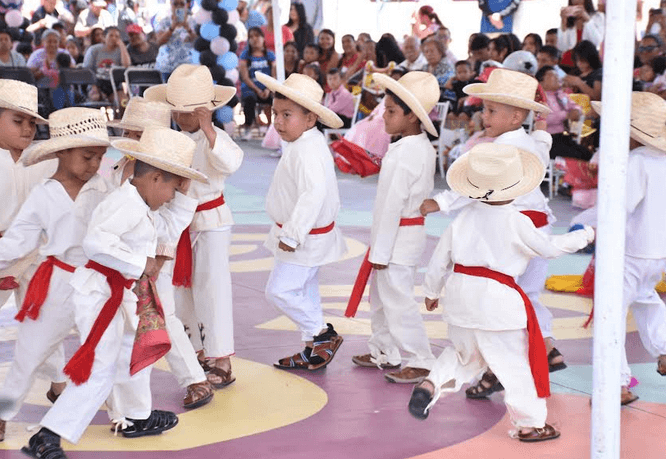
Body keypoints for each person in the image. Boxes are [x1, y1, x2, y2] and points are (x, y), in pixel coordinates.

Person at [20, 125, 204, 458]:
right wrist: (140, 263)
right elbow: (95, 244)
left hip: (117, 294)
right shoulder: (125, 203)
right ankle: (48, 434)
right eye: (173, 189)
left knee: (130, 358)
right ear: (155, 178)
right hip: (100, 296)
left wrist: (185, 195)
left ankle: (135, 417)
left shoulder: (141, 204)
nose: (172, 197)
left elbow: (167, 230)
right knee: (100, 371)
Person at [408, 142, 594, 443]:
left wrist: (431, 291)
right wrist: (585, 235)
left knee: (461, 355)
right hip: (498, 303)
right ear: (517, 186)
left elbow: (439, 259)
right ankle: (530, 423)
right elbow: (550, 248)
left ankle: (432, 383)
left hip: (459, 297)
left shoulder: (463, 218)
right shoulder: (516, 221)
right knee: (515, 365)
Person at [420, 69, 567, 398]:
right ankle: (546, 346)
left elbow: (476, 184)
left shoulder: (498, 149)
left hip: (512, 233)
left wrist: (441, 202)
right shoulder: (528, 142)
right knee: (527, 296)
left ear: (516, 116)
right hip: (539, 227)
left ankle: (496, 369)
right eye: (483, 109)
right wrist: (541, 127)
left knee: (502, 302)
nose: (482, 116)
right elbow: (543, 142)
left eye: (490, 110)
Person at [0, 107, 113, 442]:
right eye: (88, 156)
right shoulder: (44, 194)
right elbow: (18, 242)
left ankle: (127, 415)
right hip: (55, 286)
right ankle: (3, 412)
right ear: (62, 152)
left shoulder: (105, 190)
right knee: (28, 357)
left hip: (97, 285)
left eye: (100, 158)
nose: (94, 166)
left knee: (111, 353)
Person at [107, 97, 215, 410]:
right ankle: (120, 388)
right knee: (131, 320)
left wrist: (160, 260)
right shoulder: (124, 164)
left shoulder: (163, 171)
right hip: (126, 257)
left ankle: (195, 380)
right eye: (129, 131)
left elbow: (170, 223)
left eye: (137, 134)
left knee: (161, 317)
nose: (131, 137)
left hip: (152, 260)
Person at [145, 64, 244, 389]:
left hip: (209, 220)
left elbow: (230, 163)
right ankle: (197, 350)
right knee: (180, 290)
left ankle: (222, 358)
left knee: (212, 288)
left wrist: (209, 129)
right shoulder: (171, 138)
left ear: (204, 111)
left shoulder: (216, 139)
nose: (180, 117)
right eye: (177, 111)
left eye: (187, 112)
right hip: (177, 220)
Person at [347, 72, 439, 383]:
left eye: (391, 111)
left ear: (412, 116)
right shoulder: (416, 147)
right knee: (382, 298)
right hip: (401, 234)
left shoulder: (406, 153)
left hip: (397, 237)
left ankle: (421, 358)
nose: (383, 117)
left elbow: (391, 206)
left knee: (397, 301)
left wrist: (381, 250)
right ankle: (384, 350)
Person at [257, 71, 346, 371]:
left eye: (287, 115)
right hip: (307, 235)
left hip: (303, 237)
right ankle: (312, 346)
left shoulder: (307, 149)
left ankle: (323, 333)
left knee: (279, 290)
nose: (278, 121)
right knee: (305, 289)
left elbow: (313, 193)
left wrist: (293, 234)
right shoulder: (305, 142)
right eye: (275, 113)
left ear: (310, 120)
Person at [590, 92, 666, 404]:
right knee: (647, 300)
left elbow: (621, 208)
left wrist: (598, 233)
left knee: (611, 312)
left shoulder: (637, 162)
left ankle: (616, 382)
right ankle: (664, 348)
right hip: (657, 250)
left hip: (630, 250)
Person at [535, 65, 590, 161]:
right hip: (548, 140)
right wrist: (566, 115)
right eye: (553, 76)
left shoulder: (561, 95)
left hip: (563, 137)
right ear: (542, 82)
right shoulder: (539, 98)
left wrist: (576, 111)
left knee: (587, 154)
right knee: (577, 156)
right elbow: (545, 118)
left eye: (557, 75)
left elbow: (574, 106)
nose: (557, 78)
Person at [239, 26, 275, 138]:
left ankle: (272, 128)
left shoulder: (270, 55)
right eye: (251, 37)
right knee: (249, 99)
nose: (254, 39)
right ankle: (248, 127)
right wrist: (258, 90)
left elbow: (274, 75)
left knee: (276, 98)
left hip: (268, 88)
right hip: (251, 88)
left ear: (263, 38)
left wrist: (268, 89)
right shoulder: (245, 55)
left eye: (257, 36)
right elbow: (245, 77)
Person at [83, 26, 131, 102]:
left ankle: (119, 114)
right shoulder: (94, 50)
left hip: (114, 84)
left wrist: (122, 46)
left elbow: (126, 66)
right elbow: (87, 70)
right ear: (104, 37)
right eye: (111, 35)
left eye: (117, 36)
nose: (114, 38)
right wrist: (94, 87)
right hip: (96, 83)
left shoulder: (120, 51)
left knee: (123, 101)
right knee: (95, 98)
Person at [154, 0, 197, 79]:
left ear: (187, 5)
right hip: (167, 67)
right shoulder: (163, 21)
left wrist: (188, 29)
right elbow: (159, 42)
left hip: (188, 67)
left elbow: (197, 42)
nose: (178, 6)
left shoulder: (193, 22)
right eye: (175, 4)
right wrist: (172, 28)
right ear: (171, 4)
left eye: (182, 3)